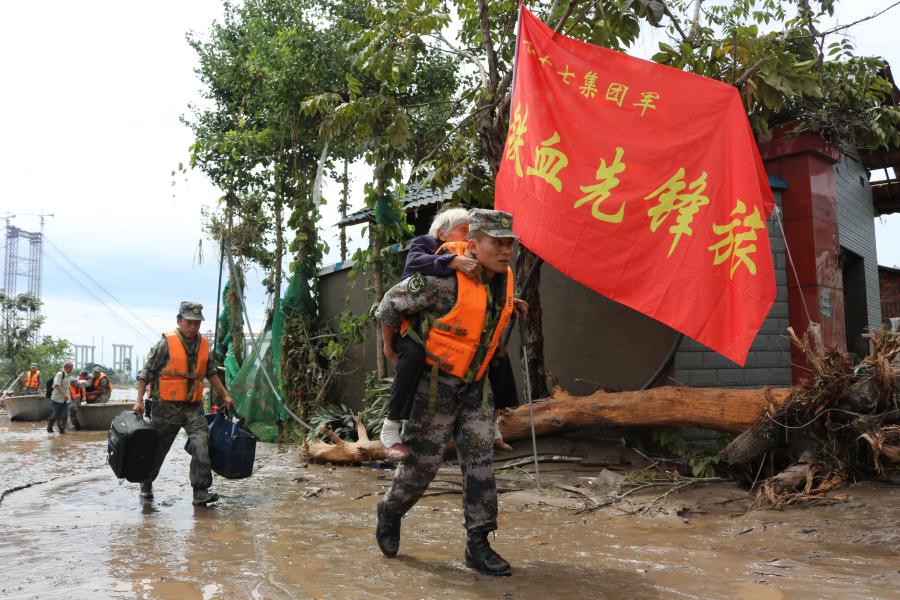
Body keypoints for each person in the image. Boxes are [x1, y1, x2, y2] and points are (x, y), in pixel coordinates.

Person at [375, 209, 518, 576]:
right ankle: (390, 510)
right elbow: (389, 305)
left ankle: (479, 543)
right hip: (434, 388)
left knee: (480, 466)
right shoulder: (444, 281)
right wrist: (391, 350)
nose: (505, 251)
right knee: (421, 467)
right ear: (472, 245)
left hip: (475, 389)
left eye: (509, 244)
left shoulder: (503, 284)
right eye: (496, 243)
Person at [379, 207, 523, 461]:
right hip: (411, 323)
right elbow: (392, 299)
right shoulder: (428, 247)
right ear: (443, 233)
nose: (466, 238)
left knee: (495, 351)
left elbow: (478, 298)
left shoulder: (479, 269)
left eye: (508, 244)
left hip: (451, 335)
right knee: (412, 356)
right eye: (463, 232)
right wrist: (388, 346)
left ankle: (496, 419)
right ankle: (390, 427)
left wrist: (511, 303)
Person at [132, 301, 234, 506]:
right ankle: (146, 482)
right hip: (165, 408)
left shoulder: (205, 345)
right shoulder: (165, 343)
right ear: (179, 321)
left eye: (197, 323)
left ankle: (201, 491)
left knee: (201, 444)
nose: (193, 327)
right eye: (189, 322)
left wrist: (225, 394)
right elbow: (146, 373)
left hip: (193, 407)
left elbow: (210, 372)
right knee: (158, 448)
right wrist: (139, 401)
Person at [47, 361, 84, 434]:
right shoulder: (60, 374)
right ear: (67, 367)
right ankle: (49, 427)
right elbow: (57, 385)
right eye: (71, 367)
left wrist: (72, 396)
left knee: (65, 415)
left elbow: (69, 387)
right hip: (57, 399)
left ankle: (61, 430)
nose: (72, 369)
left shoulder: (69, 376)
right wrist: (64, 394)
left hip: (66, 400)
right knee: (55, 415)